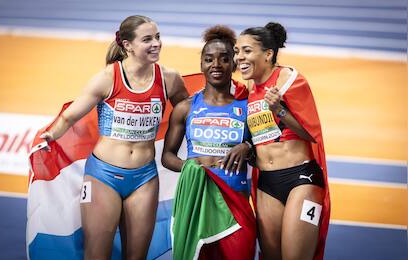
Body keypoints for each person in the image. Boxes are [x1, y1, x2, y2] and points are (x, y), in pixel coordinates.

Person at [40, 15, 188, 260]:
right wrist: (51, 135)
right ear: (127, 45)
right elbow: (69, 117)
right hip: (103, 176)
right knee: (97, 254)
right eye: (147, 39)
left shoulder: (169, 78)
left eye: (158, 37)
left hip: (144, 178)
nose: (157, 44)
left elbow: (189, 114)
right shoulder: (108, 78)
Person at [233, 22, 330, 260]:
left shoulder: (289, 79)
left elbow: (311, 134)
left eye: (246, 50)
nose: (239, 57)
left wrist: (279, 110)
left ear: (268, 54)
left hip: (301, 179)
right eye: (236, 51)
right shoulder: (249, 89)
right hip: (267, 183)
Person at [162, 25, 256, 259]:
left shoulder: (247, 108)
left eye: (224, 59)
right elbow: (167, 156)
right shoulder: (185, 108)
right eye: (209, 59)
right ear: (201, 64)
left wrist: (248, 147)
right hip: (197, 202)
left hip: (235, 204)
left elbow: (264, 154)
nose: (216, 65)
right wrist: (191, 165)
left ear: (234, 64)